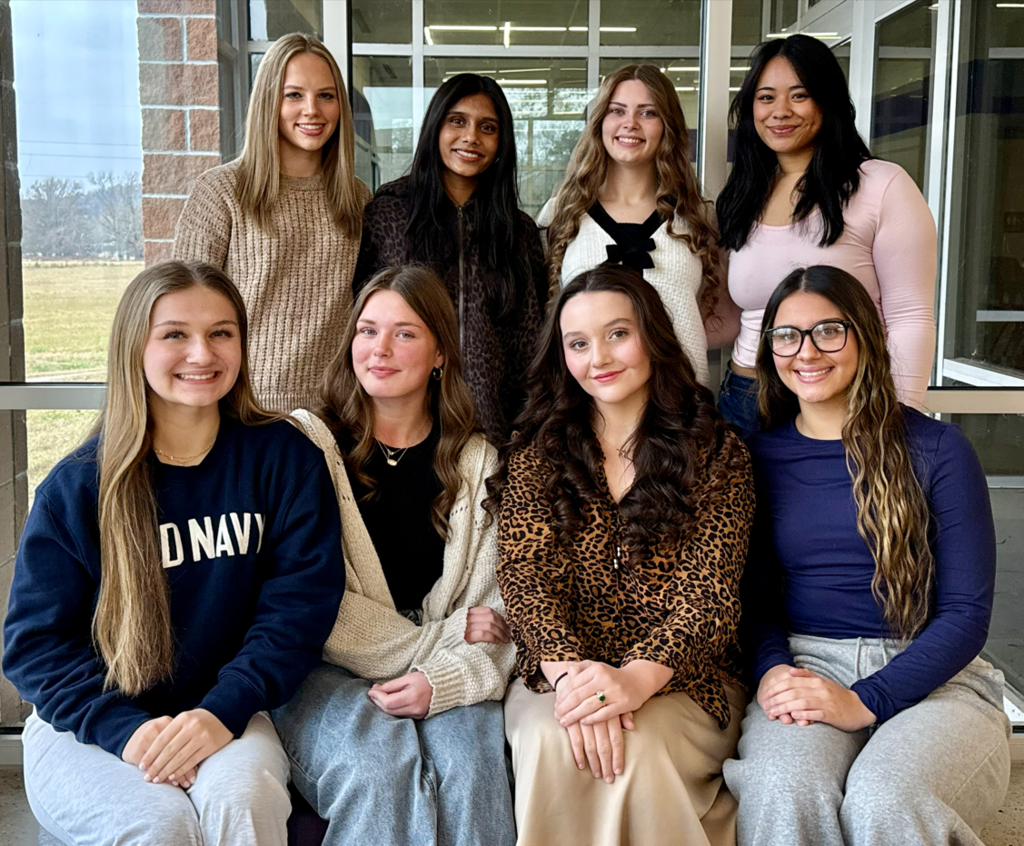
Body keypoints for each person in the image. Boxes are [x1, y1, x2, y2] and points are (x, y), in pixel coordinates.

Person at [2, 260, 346, 846]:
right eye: (175, 334)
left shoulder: (283, 459)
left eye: (221, 332)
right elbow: (35, 647)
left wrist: (220, 714)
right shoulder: (79, 487)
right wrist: (130, 734)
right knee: (158, 824)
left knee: (242, 802)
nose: (201, 353)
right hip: (87, 724)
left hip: (227, 709)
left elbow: (296, 612)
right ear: (135, 346)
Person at [723, 265, 1011, 846]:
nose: (806, 352)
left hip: (937, 675)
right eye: (786, 335)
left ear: (866, 334)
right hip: (807, 664)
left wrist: (865, 700)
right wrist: (775, 670)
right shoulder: (755, 458)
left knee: (889, 797)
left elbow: (965, 616)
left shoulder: (938, 450)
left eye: (829, 330)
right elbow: (754, 603)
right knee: (783, 789)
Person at [486, 264, 755, 846]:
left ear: (651, 336)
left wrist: (632, 681)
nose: (599, 357)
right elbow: (525, 577)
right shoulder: (541, 450)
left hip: (685, 678)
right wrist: (575, 679)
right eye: (578, 343)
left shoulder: (714, 449)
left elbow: (710, 592)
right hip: (559, 673)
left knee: (639, 750)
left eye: (617, 334)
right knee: (555, 742)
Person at [272, 266, 517, 846]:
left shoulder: (478, 461)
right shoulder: (306, 445)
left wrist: (447, 678)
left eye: (405, 333)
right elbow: (311, 604)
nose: (379, 349)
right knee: (381, 772)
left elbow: (497, 623)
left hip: (450, 665)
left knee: (471, 773)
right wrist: (443, 637)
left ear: (439, 354)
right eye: (367, 330)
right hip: (321, 671)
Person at [716, 34, 937, 438]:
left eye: (799, 95)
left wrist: (901, 422)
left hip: (845, 400)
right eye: (766, 98)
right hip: (745, 399)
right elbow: (736, 315)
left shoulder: (880, 186)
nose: (780, 111)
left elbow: (910, 318)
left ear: (827, 100)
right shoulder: (743, 195)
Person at [174, 33, 370, 413]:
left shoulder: (357, 198)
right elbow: (182, 310)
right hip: (240, 409)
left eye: (326, 96)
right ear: (268, 101)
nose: (312, 110)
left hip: (336, 413)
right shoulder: (221, 191)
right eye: (293, 95)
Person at [353, 73, 547, 442]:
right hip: (403, 427)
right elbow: (362, 325)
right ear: (435, 128)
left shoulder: (518, 232)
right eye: (457, 121)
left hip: (493, 430)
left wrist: (529, 427)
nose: (471, 136)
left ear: (501, 142)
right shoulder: (389, 215)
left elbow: (532, 344)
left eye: (487, 127)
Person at [540, 64, 734, 389]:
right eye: (617, 111)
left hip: (681, 407)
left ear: (667, 126)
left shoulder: (698, 214)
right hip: (587, 408)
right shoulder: (562, 212)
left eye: (648, 113)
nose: (630, 123)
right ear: (600, 121)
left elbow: (720, 312)